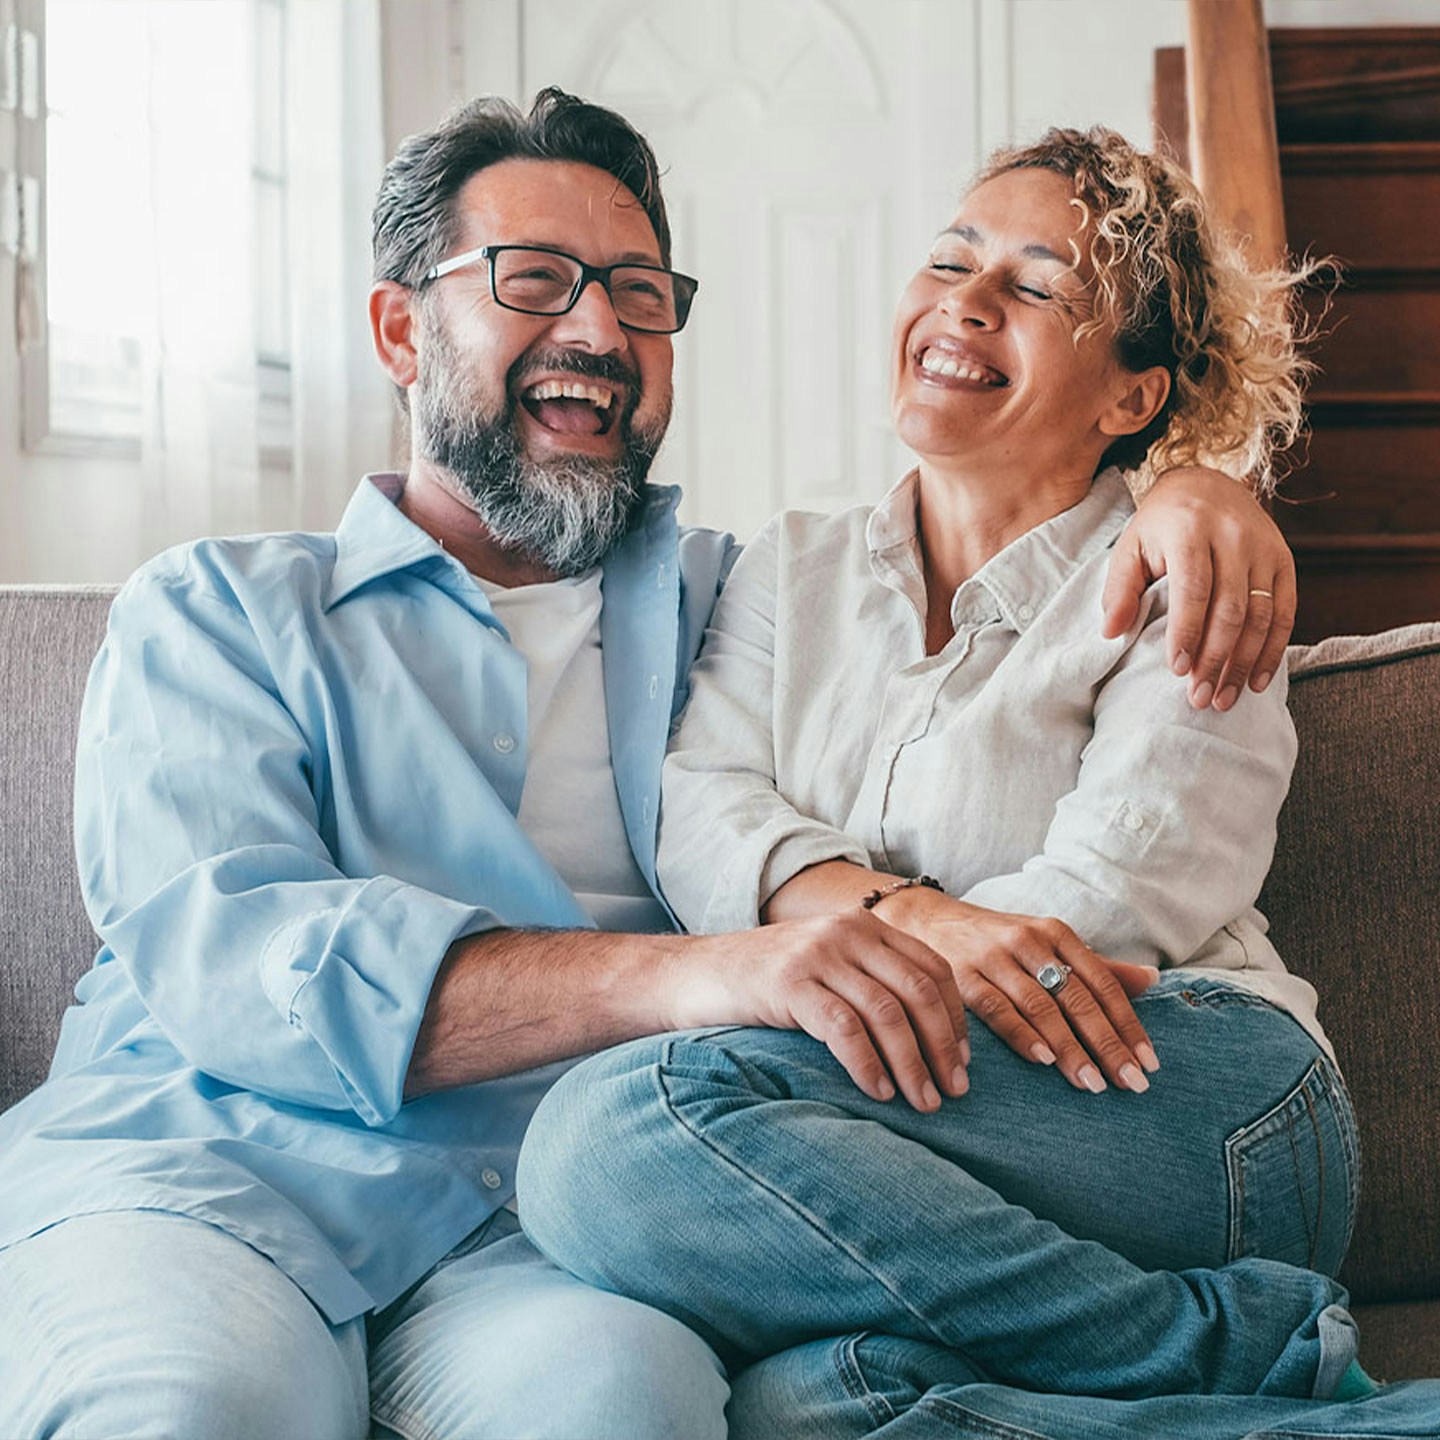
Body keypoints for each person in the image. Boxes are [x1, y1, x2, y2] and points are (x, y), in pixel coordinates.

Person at [0, 93, 1303, 1440]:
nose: (596, 331)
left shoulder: (732, 604)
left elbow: (998, 542)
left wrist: (1194, 492)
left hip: (536, 1232)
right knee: (192, 1409)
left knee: (626, 1410)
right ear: (400, 330)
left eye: (636, 292)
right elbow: (236, 957)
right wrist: (703, 972)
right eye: (534, 282)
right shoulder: (212, 611)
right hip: (206, 1185)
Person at [514, 128, 1440, 1438]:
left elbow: (1104, 908)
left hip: (1185, 1083)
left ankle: (1252, 1349)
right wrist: (909, 921)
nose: (965, 298)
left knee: (612, 1133)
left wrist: (844, 946)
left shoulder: (1185, 571)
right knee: (812, 1407)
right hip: (937, 1094)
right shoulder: (797, 564)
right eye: (951, 259)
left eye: (1037, 284)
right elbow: (704, 808)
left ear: (1132, 399)